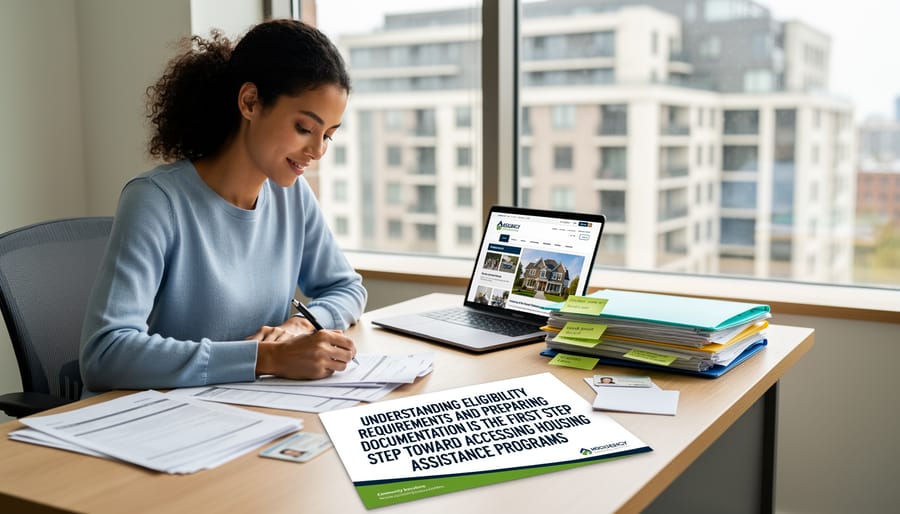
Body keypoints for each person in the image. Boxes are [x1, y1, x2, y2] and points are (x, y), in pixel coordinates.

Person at [79, 19, 367, 394]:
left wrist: (301, 325)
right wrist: (267, 358)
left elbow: (347, 288)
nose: (317, 151)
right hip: (156, 423)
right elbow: (106, 354)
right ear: (250, 102)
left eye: (328, 134)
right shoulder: (156, 200)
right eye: (304, 128)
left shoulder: (291, 194)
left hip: (242, 411)